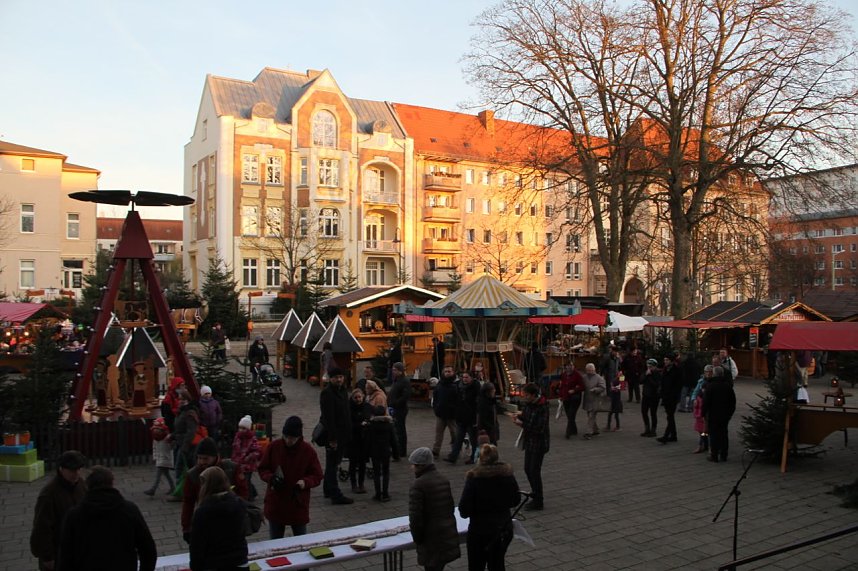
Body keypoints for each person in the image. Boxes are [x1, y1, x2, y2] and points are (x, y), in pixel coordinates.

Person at [57, 466, 156, 571]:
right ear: (112, 483)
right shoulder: (129, 510)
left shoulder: (74, 515)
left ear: (87, 485)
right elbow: (148, 549)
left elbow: (65, 555)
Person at [458, 444, 520, 571]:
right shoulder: (507, 475)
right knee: (497, 564)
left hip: (480, 530)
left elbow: (464, 509)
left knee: (476, 565)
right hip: (503, 528)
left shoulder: (474, 478)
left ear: (480, 459)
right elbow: (515, 500)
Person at [258, 416, 324, 538]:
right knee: (276, 543)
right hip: (276, 502)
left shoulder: (307, 451)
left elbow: (317, 475)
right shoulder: (274, 447)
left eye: (292, 438)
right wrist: (271, 478)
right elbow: (263, 468)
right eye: (286, 436)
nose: (288, 440)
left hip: (297, 503)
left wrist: (306, 482)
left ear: (299, 437)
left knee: (300, 541)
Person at [179, 437, 248, 543]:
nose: (201, 462)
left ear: (215, 456)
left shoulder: (231, 468)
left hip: (231, 521)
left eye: (205, 458)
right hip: (206, 522)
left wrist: (238, 513)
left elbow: (243, 492)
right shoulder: (193, 475)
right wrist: (186, 528)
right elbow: (188, 502)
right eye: (199, 458)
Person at [30, 450, 87, 571]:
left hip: (77, 549)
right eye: (72, 470)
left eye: (78, 469)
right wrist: (47, 557)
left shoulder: (81, 485)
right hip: (58, 551)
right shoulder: (49, 494)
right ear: (61, 469)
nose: (76, 474)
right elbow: (42, 527)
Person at [408, 447, 461, 571]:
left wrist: (417, 538)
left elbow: (415, 517)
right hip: (446, 534)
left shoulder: (418, 485)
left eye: (413, 465)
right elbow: (450, 508)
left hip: (431, 539)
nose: (411, 468)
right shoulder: (443, 479)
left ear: (419, 465)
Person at [189, 466, 248, 571]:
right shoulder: (238, 503)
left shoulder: (203, 511)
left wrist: (195, 566)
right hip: (239, 561)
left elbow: (197, 545)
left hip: (213, 564)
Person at [319, 367, 354, 504]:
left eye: (341, 377)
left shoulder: (343, 390)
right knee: (333, 464)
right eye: (336, 377)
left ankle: (328, 489)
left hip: (343, 433)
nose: (339, 379)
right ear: (330, 378)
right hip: (333, 436)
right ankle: (335, 494)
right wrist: (332, 439)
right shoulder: (327, 393)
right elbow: (329, 418)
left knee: (332, 463)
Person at [512, 383, 549, 511]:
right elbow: (527, 416)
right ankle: (535, 493)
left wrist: (521, 424)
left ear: (533, 395)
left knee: (534, 470)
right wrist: (519, 415)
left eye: (526, 395)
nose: (524, 397)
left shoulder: (542, 407)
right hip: (529, 442)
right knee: (528, 469)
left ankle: (539, 500)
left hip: (539, 443)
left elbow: (539, 428)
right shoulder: (528, 405)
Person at [703, 366, 737, 462]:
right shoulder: (727, 386)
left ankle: (714, 455)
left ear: (714, 374)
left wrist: (703, 413)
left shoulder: (710, 386)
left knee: (713, 435)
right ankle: (723, 455)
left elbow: (706, 401)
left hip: (713, 414)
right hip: (724, 415)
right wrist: (730, 413)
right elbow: (732, 402)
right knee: (723, 434)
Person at [446, 370, 479, 464]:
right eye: (463, 377)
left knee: (473, 440)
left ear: (471, 378)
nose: (464, 379)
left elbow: (477, 403)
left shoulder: (475, 387)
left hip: (471, 417)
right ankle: (453, 456)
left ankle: (474, 457)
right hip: (461, 417)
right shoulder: (458, 386)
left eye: (466, 377)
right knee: (458, 438)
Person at [367, 403, 394, 501]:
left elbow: (368, 440)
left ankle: (378, 494)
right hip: (386, 451)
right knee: (386, 472)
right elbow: (393, 440)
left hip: (375, 452)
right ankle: (385, 493)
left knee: (376, 473)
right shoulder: (389, 425)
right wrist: (396, 452)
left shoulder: (371, 425)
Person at [347, 389, 372, 494]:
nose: (358, 399)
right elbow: (349, 424)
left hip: (364, 439)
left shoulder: (366, 406)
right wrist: (360, 424)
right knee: (353, 462)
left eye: (359, 397)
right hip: (353, 439)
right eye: (356, 397)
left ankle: (361, 483)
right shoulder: (349, 408)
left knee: (362, 463)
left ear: (363, 397)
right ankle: (353, 484)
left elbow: (369, 416)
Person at [231, 415, 262, 500]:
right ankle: (253, 493)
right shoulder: (237, 437)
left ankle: (248, 497)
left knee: (246, 480)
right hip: (238, 463)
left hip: (248, 464)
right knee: (242, 480)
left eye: (243, 428)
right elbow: (235, 450)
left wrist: (249, 457)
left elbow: (257, 450)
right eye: (240, 428)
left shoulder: (252, 438)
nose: (241, 430)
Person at [432, 365, 459, 459]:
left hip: (452, 415)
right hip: (440, 413)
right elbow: (435, 396)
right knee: (438, 434)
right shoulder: (440, 384)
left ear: (453, 372)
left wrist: (456, 410)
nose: (447, 373)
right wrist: (436, 407)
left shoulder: (456, 385)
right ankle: (435, 451)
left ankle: (455, 451)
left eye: (449, 371)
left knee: (454, 434)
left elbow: (458, 400)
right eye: (446, 371)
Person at [388, 361, 412, 461]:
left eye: (395, 370)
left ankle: (402, 451)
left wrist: (395, 403)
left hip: (400, 409)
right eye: (393, 369)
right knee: (396, 430)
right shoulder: (396, 380)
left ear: (400, 371)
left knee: (400, 430)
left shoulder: (405, 381)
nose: (393, 371)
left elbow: (406, 396)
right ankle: (397, 449)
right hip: (394, 408)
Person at [145, 417, 175, 496]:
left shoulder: (167, 438)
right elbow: (154, 448)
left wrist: (171, 441)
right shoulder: (155, 439)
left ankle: (153, 489)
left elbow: (171, 448)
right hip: (160, 458)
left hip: (165, 459)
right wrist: (155, 457)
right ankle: (173, 487)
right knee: (166, 474)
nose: (155, 431)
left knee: (158, 474)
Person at [657, 354, 682, 444]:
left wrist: (674, 394)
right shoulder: (665, 370)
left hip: (672, 397)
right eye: (665, 360)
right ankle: (673, 435)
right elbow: (663, 382)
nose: (665, 361)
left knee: (670, 416)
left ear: (671, 361)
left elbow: (678, 385)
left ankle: (666, 436)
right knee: (669, 416)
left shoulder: (676, 370)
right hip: (666, 396)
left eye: (667, 360)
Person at [559, 363, 585, 438]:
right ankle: (574, 430)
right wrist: (560, 395)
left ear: (573, 367)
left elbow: (582, 386)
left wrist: (574, 390)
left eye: (571, 366)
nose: (569, 367)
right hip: (566, 397)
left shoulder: (577, 375)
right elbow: (562, 386)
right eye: (567, 366)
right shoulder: (563, 375)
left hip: (575, 398)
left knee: (571, 414)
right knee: (569, 415)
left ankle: (568, 432)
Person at [692, 365, 713, 454]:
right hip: (700, 408)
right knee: (701, 429)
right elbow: (695, 392)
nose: (708, 373)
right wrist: (694, 400)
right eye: (706, 372)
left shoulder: (713, 382)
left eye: (709, 372)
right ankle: (703, 444)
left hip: (709, 408)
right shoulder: (701, 381)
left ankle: (708, 446)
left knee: (707, 429)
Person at [640, 359, 661, 437]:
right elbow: (640, 381)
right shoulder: (646, 372)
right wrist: (646, 375)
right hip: (646, 395)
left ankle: (653, 430)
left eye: (651, 367)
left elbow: (656, 385)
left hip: (654, 396)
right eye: (648, 366)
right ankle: (647, 429)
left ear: (655, 366)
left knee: (653, 413)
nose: (649, 368)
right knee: (644, 412)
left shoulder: (657, 373)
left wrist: (649, 377)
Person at [476, 381, 500, 446]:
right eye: (493, 390)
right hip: (487, 430)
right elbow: (482, 418)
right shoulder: (483, 403)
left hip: (491, 428)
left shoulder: (491, 401)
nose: (495, 391)